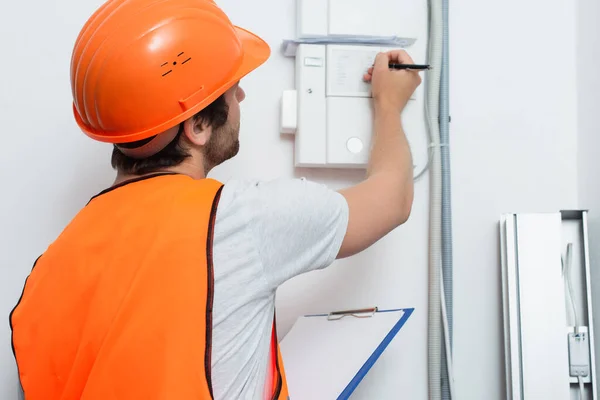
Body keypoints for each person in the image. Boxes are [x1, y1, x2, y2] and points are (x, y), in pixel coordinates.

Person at [9, 0, 422, 399]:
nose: (240, 97)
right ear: (198, 126)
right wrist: (389, 104)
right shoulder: (241, 220)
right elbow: (392, 198)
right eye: (231, 88)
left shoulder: (48, 270)